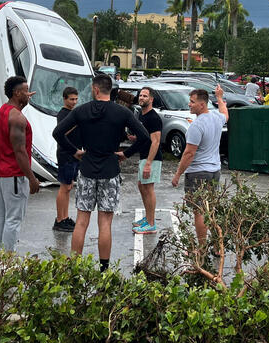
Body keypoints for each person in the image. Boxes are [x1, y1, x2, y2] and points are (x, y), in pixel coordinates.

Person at [53, 73, 148, 270]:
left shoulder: (81, 110)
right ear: (109, 90)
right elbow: (144, 137)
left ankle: (75, 267)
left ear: (95, 89)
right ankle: (104, 269)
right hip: (110, 170)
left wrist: (75, 151)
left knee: (82, 220)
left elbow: (58, 133)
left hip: (87, 168)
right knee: (105, 222)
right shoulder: (121, 112)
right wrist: (125, 154)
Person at [0, 75, 41, 272]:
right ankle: (7, 261)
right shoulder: (17, 118)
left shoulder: (3, 110)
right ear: (17, 93)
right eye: (26, 91)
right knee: (13, 219)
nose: (29, 94)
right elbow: (19, 151)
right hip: (14, 174)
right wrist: (32, 178)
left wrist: (25, 99)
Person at [171, 86, 229, 245]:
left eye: (192, 102)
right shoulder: (216, 117)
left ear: (202, 105)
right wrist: (220, 97)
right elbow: (225, 113)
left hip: (198, 173)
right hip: (214, 171)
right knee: (212, 208)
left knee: (200, 211)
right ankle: (217, 246)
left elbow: (189, 154)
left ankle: (202, 249)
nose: (189, 104)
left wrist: (178, 174)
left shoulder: (196, 126)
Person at [124, 86, 164, 234]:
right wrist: (136, 138)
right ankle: (148, 218)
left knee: (148, 188)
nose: (141, 98)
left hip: (152, 158)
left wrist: (148, 164)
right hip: (144, 156)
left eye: (145, 96)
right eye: (140, 95)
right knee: (142, 186)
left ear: (151, 99)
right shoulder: (142, 115)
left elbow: (156, 142)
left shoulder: (153, 118)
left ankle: (151, 224)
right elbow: (146, 137)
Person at [51, 86, 81, 232]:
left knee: (68, 187)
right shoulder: (63, 114)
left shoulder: (72, 113)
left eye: (76, 99)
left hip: (74, 155)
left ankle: (65, 216)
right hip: (66, 155)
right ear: (64, 99)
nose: (74, 102)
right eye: (71, 99)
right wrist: (76, 122)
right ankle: (59, 219)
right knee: (64, 187)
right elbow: (61, 132)